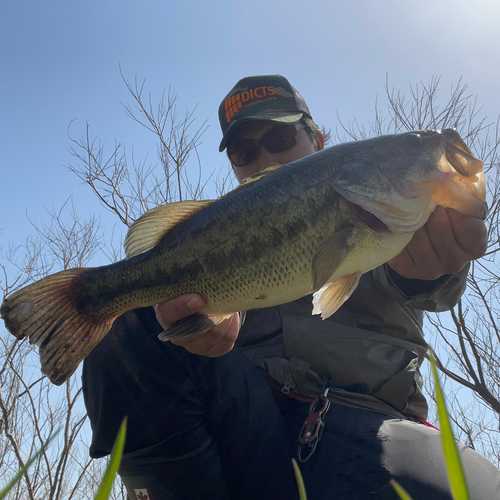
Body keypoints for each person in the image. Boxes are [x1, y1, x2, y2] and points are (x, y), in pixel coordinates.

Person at [82, 75, 500, 499]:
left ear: (317, 138)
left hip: (366, 428)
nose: (264, 157)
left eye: (281, 137)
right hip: (243, 427)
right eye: (245, 151)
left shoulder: (390, 212)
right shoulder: (218, 241)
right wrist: (188, 333)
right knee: (130, 328)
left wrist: (435, 265)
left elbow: (430, 285)